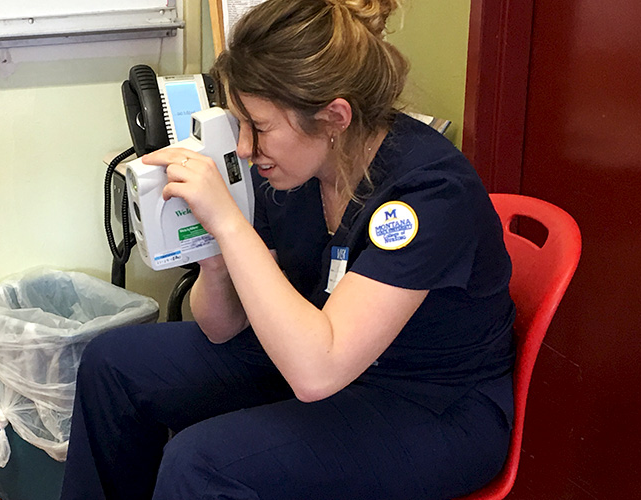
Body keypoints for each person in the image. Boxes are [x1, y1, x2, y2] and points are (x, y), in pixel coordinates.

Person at [60, 0, 516, 498]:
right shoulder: (296, 169)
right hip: (314, 349)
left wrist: (230, 224)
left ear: (334, 117)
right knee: (113, 363)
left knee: (200, 464)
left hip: (426, 402)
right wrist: (215, 253)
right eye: (240, 123)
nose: (245, 148)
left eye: (260, 126)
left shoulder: (428, 194)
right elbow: (223, 326)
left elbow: (317, 374)